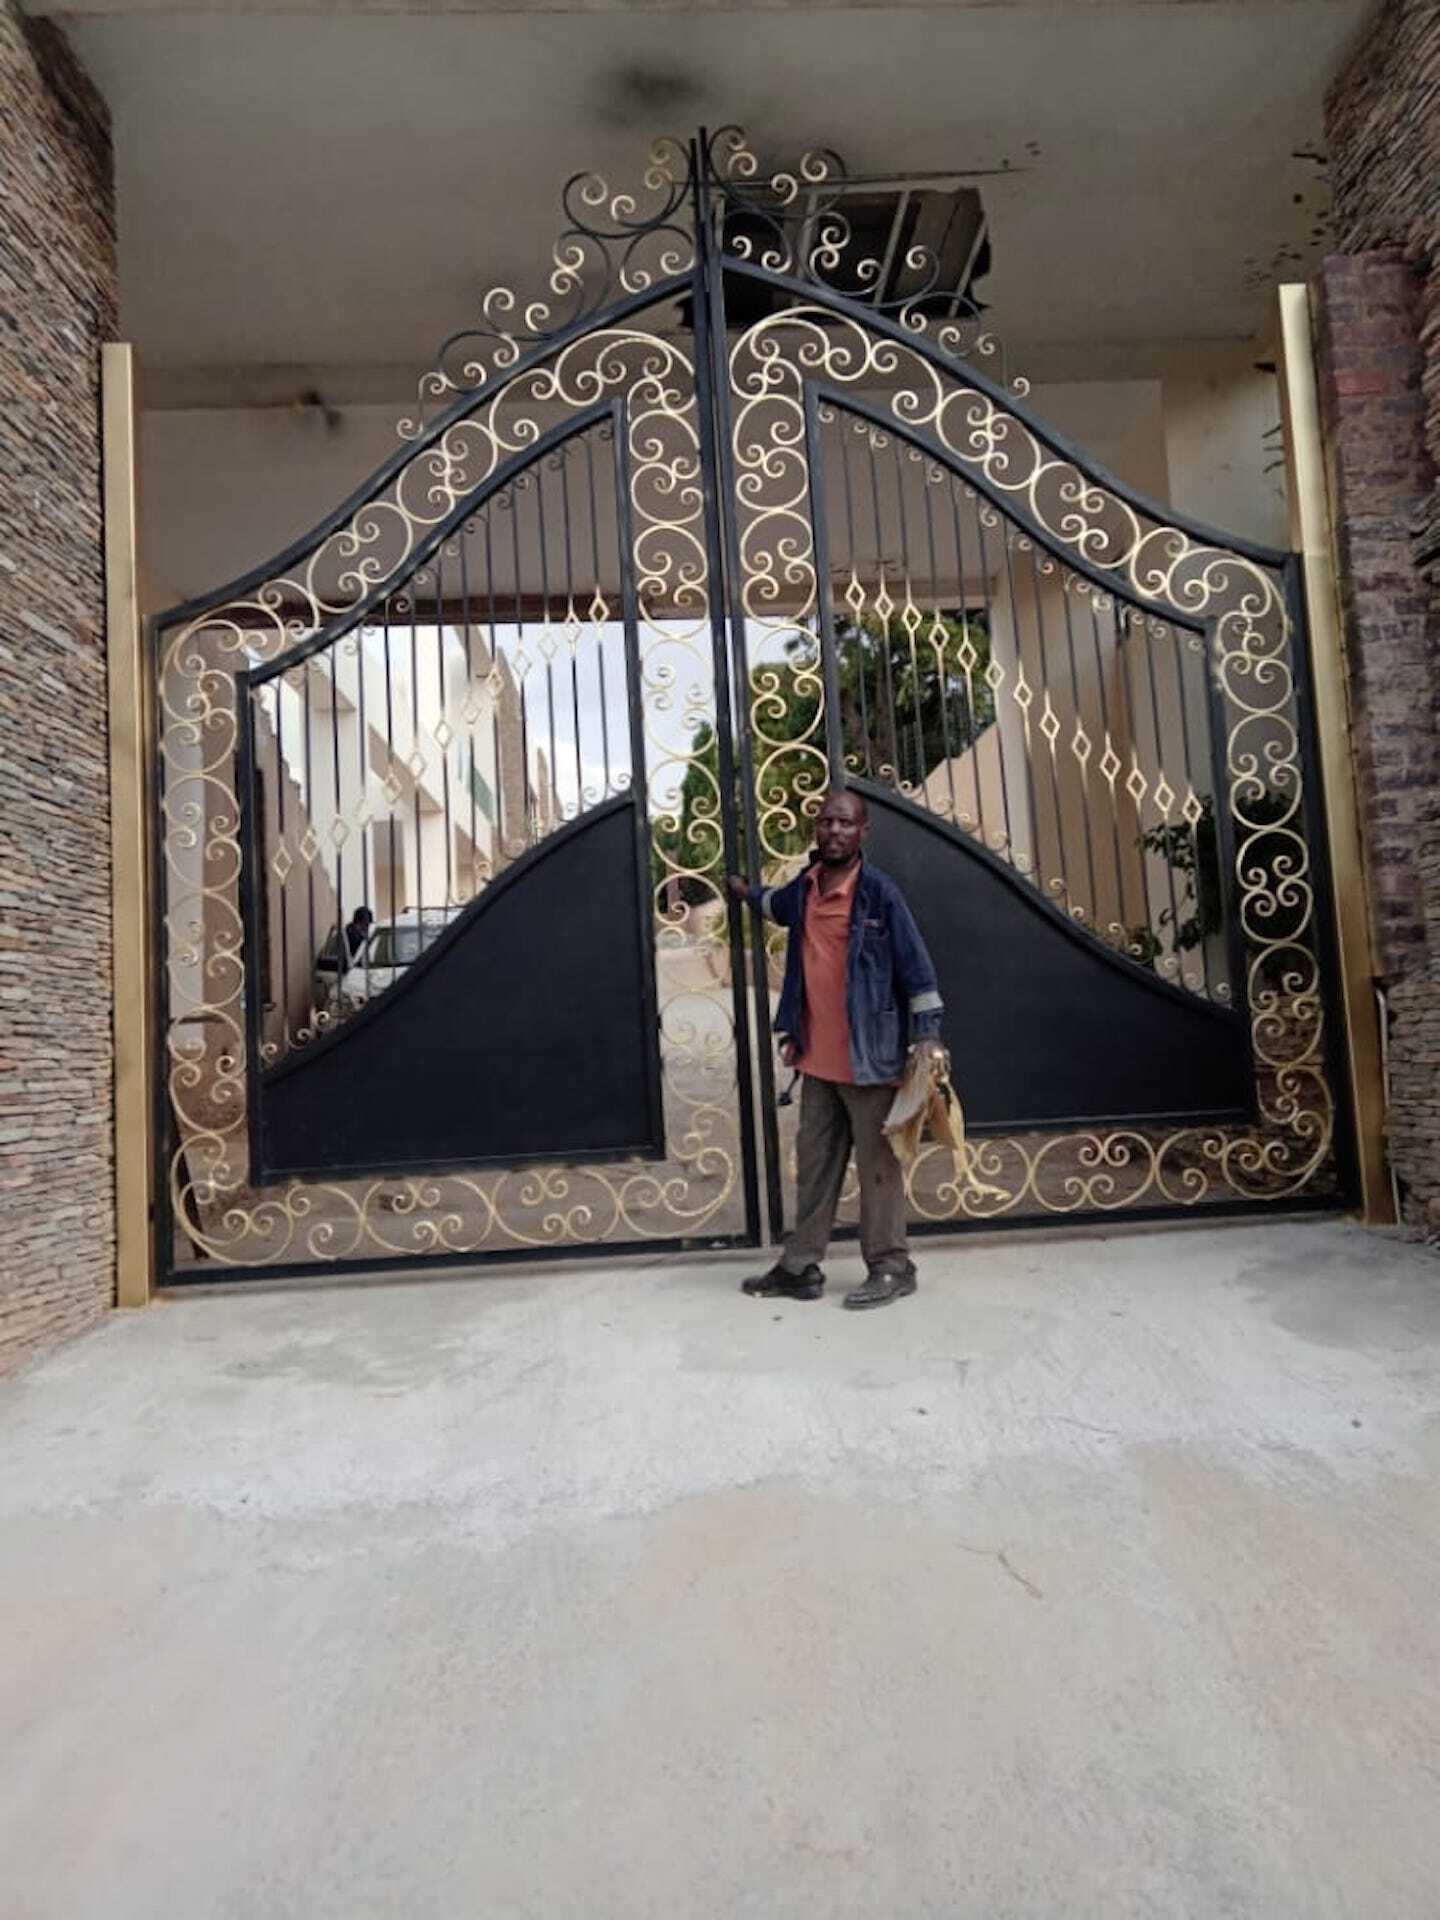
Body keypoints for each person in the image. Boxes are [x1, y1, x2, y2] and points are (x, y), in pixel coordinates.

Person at [727, 786, 944, 1310]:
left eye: (846, 823)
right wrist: (743, 892)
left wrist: (928, 1034)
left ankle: (891, 1266)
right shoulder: (804, 889)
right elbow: (774, 906)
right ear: (817, 828)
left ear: (863, 831)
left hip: (871, 1062)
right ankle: (800, 1267)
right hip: (818, 1062)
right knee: (816, 1166)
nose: (835, 831)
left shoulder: (880, 894)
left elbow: (918, 972)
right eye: (827, 821)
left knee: (878, 1170)